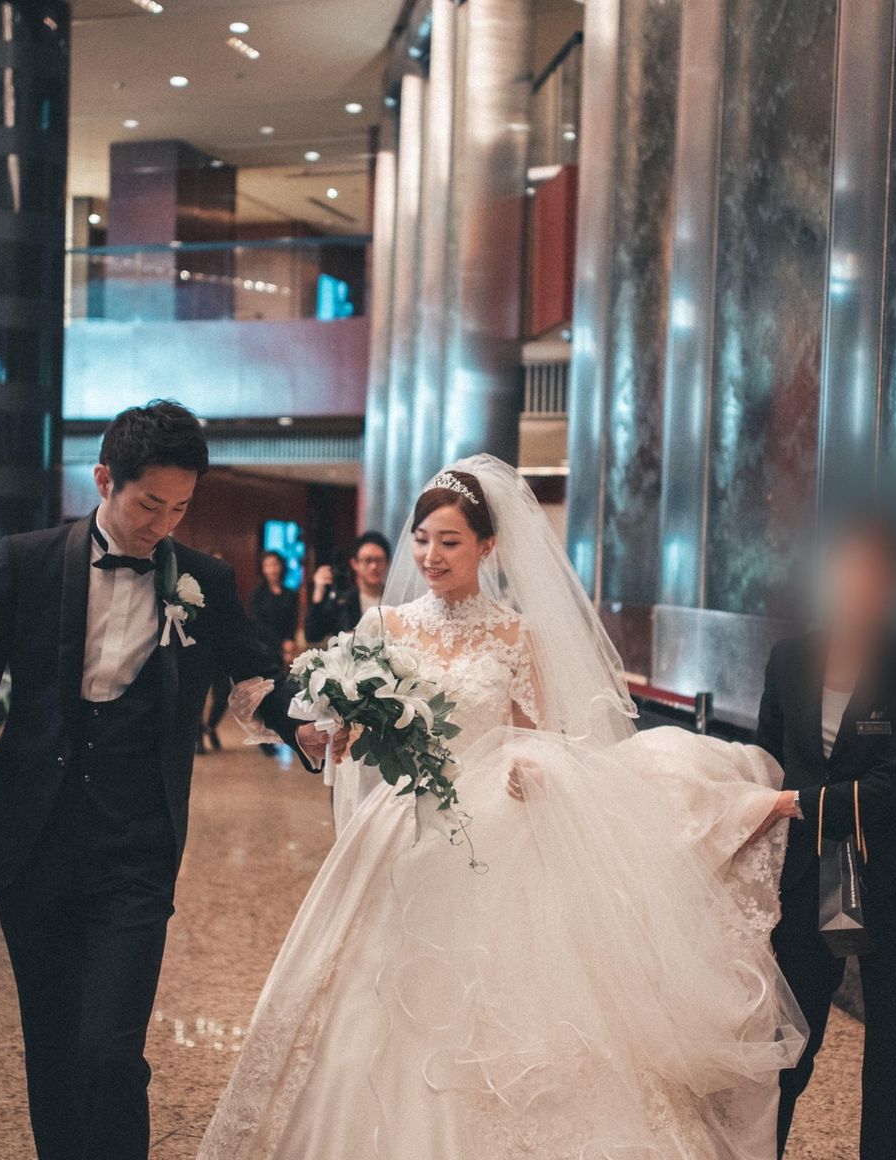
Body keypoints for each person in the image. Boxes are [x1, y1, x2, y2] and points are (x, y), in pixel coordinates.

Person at [197, 455, 806, 1160]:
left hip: (493, 831)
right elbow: (350, 730)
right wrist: (340, 730)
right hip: (399, 825)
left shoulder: (515, 636)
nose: (430, 555)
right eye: (422, 538)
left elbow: (541, 735)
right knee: (361, 991)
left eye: (450, 541)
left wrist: (530, 766)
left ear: (487, 546)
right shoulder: (384, 626)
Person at [0, 400, 346, 1160]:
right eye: (149, 504)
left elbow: (257, 673)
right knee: (54, 1051)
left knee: (110, 1053)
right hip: (35, 846)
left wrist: (299, 726)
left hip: (137, 848)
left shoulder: (203, 579)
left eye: (181, 508)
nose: (163, 525)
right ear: (105, 480)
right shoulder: (28, 562)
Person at [755, 511, 896, 1160]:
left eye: (876, 573)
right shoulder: (791, 659)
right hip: (813, 875)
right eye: (849, 569)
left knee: (893, 1054)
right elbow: (765, 759)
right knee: (788, 1043)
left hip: (892, 879)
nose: (860, 585)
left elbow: (893, 786)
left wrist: (793, 804)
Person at [304, 530, 390, 641]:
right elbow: (312, 636)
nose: (374, 566)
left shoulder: (395, 598)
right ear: (355, 563)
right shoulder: (343, 600)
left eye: (379, 560)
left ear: (388, 563)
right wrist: (318, 593)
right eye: (368, 560)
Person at [251, 551, 299, 655]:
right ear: (262, 569)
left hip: (288, 647)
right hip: (264, 646)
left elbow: (292, 622)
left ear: (282, 566)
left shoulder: (291, 594)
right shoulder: (258, 594)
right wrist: (281, 644)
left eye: (275, 564)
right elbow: (259, 624)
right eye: (268, 566)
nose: (272, 570)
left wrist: (290, 642)